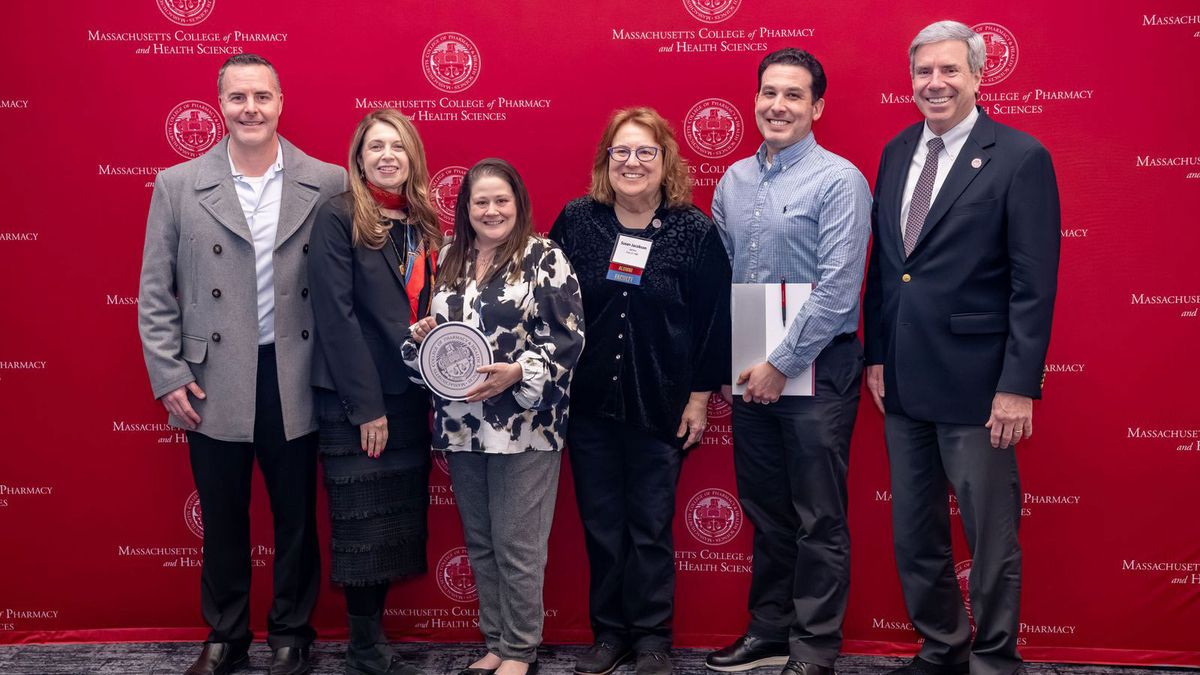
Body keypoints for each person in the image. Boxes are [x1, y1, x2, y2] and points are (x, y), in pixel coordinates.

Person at [862, 20, 1060, 675]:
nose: (935, 83)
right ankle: (941, 646)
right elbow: (888, 269)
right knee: (914, 529)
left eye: (950, 70)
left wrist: (1018, 384)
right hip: (903, 381)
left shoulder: (1020, 156)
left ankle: (996, 657)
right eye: (924, 72)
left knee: (990, 533)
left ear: (979, 76)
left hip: (981, 386)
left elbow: (1034, 283)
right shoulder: (895, 151)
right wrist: (876, 356)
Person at [138, 54, 346, 675]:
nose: (250, 108)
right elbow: (155, 291)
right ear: (219, 105)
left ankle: (291, 634)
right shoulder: (178, 184)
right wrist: (170, 373)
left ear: (281, 102)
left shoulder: (328, 180)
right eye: (237, 98)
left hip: (296, 371)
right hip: (212, 377)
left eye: (261, 96)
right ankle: (225, 635)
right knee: (223, 515)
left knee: (295, 517)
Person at [705, 49, 871, 675]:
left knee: (817, 515)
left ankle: (816, 647)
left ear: (817, 107)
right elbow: (721, 281)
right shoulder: (733, 181)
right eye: (768, 93)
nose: (778, 106)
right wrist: (735, 361)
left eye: (794, 96)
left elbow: (837, 291)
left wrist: (779, 361)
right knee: (767, 509)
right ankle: (770, 630)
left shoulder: (839, 180)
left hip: (818, 365)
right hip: (750, 366)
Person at [548, 107, 730, 675]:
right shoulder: (578, 221)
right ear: (607, 161)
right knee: (602, 526)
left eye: (644, 152)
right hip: (589, 405)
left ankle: (652, 638)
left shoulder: (693, 229)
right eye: (621, 152)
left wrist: (700, 396)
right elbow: (546, 299)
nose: (632, 162)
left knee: (649, 527)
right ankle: (610, 634)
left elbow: (713, 319)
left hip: (661, 405)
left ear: (664, 161)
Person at [405, 158, 585, 675]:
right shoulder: (451, 258)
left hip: (525, 426)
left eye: (501, 200)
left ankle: (521, 650)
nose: (491, 210)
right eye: (480, 201)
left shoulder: (544, 257)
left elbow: (567, 341)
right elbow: (444, 336)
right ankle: (496, 641)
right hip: (462, 426)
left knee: (518, 546)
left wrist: (517, 372)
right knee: (482, 543)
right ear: (465, 208)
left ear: (518, 204)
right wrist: (424, 339)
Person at [308, 109, 441, 675]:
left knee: (394, 521)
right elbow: (335, 319)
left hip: (411, 393)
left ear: (412, 158)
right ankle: (365, 650)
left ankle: (374, 646)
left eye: (398, 147)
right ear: (358, 158)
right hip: (356, 400)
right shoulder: (337, 216)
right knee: (362, 524)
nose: (387, 155)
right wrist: (366, 408)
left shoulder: (423, 222)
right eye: (375, 146)